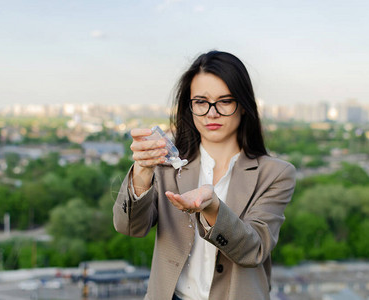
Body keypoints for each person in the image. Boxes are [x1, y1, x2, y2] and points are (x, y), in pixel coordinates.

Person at [113, 50, 296, 300]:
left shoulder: (275, 173)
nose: (212, 113)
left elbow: (254, 250)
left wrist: (212, 208)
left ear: (243, 105)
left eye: (225, 101)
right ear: (189, 107)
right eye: (201, 102)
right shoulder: (167, 164)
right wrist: (142, 171)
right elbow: (130, 227)